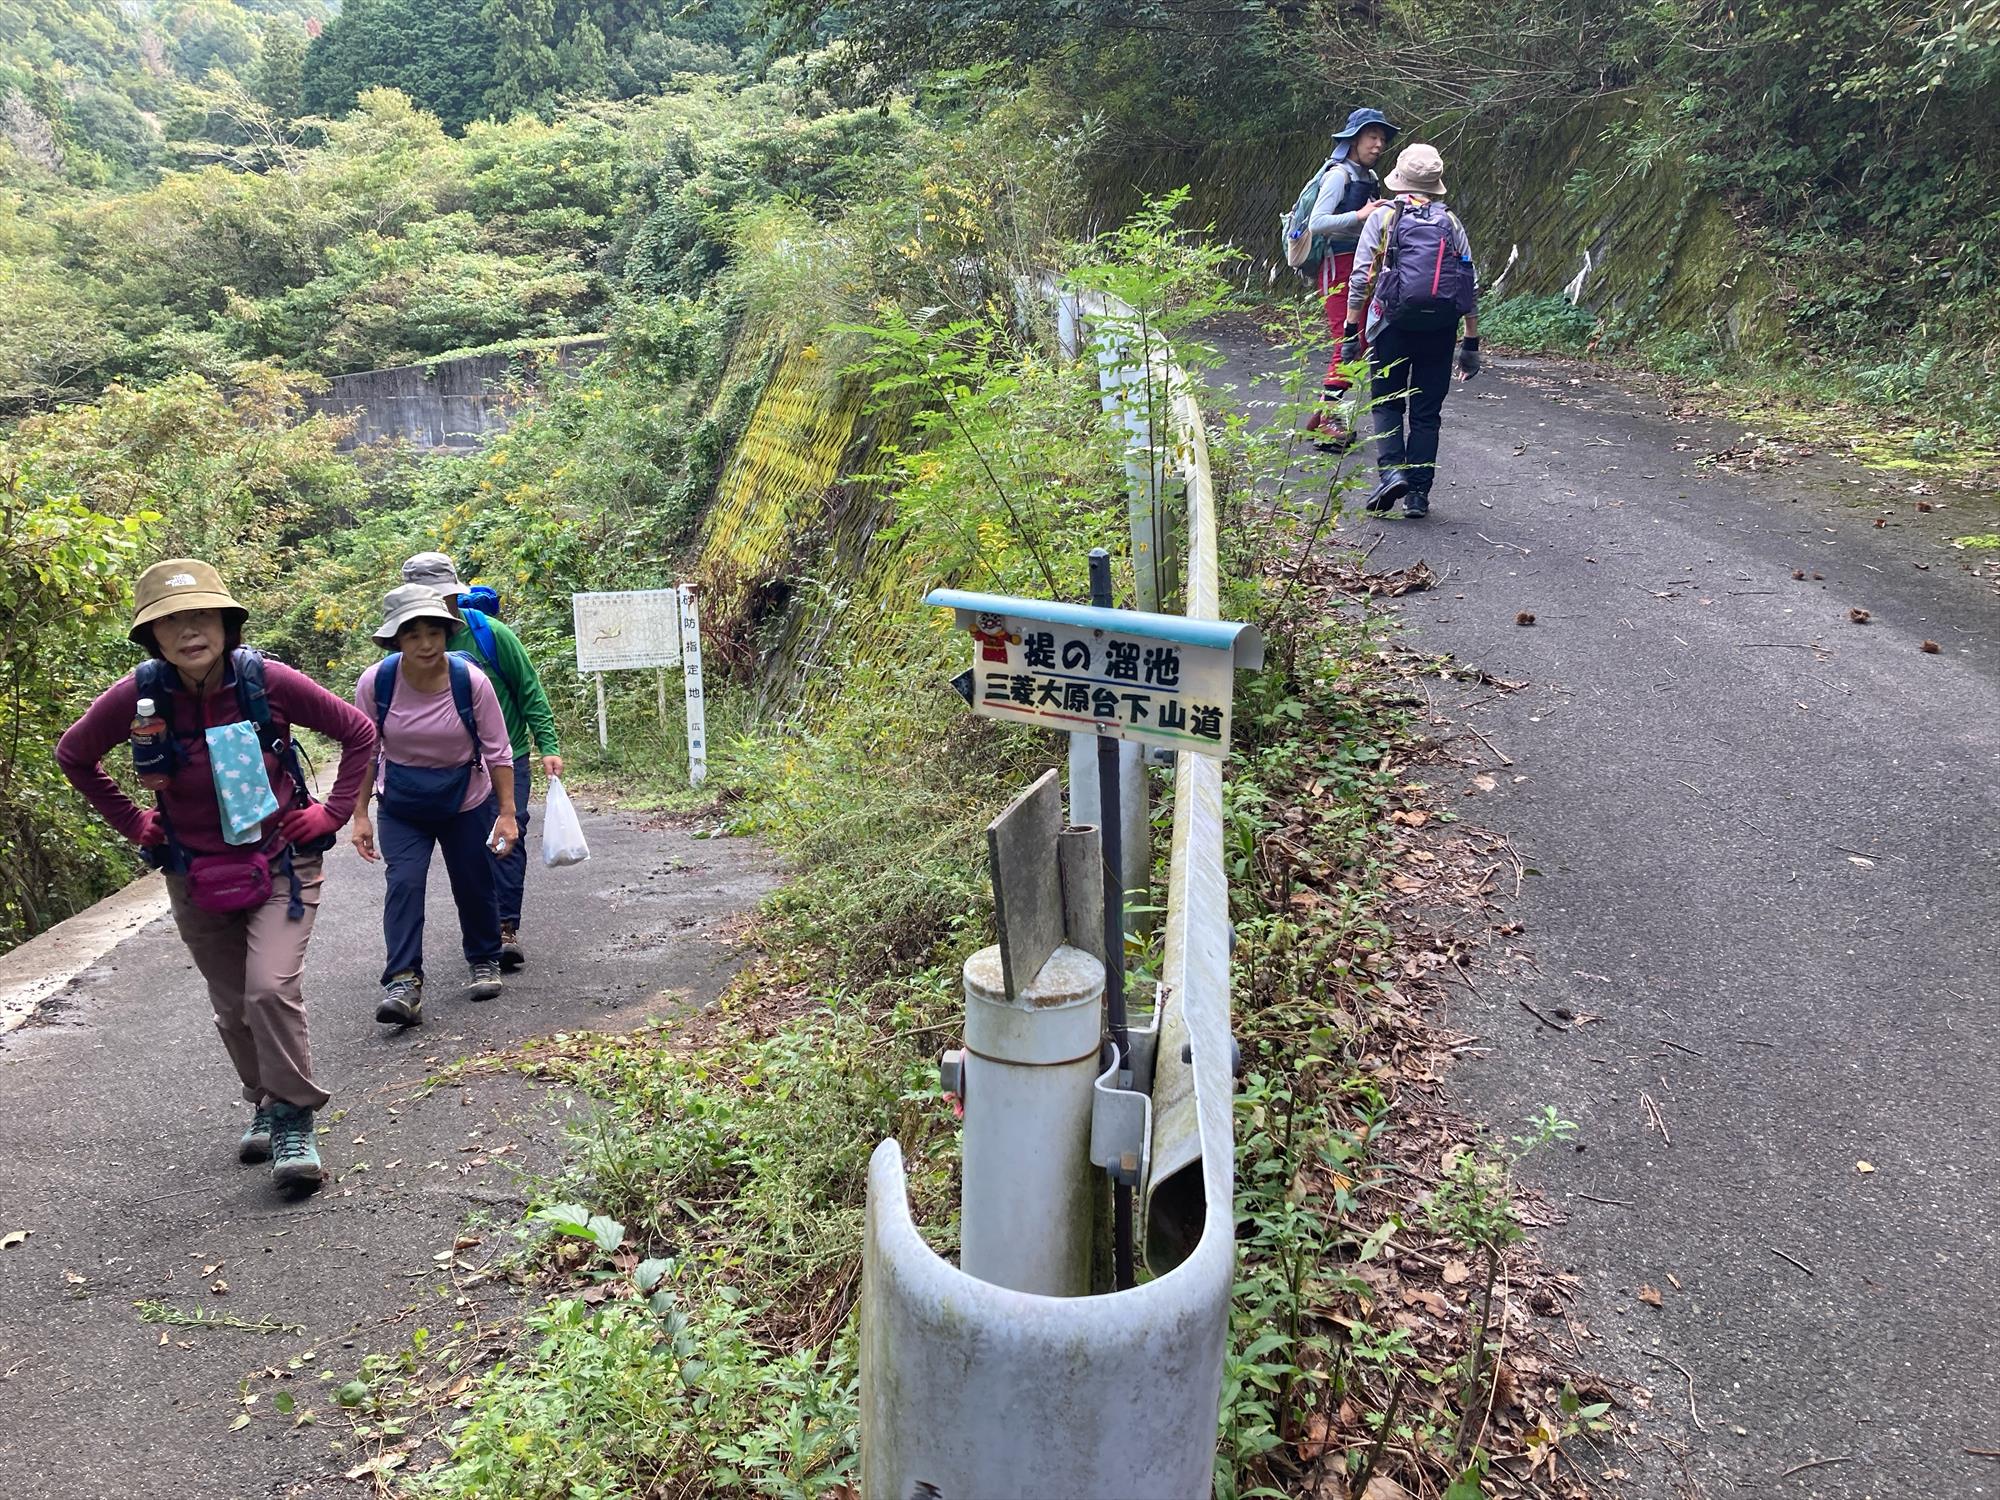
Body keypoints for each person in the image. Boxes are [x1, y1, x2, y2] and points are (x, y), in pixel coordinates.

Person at [55, 559, 377, 1190]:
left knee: (268, 990)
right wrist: (133, 822)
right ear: (152, 636)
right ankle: (265, 1101)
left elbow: (358, 731)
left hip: (280, 862)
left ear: (227, 624)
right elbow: (75, 755)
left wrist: (333, 812)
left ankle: (294, 1118)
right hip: (194, 871)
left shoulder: (267, 681)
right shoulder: (140, 697)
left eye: (202, 615)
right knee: (233, 1007)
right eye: (171, 621)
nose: (189, 631)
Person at [350, 584, 518, 1027]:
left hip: (466, 798)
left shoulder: (470, 681)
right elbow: (365, 751)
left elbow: (498, 750)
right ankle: (403, 983)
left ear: (447, 633)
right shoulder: (376, 683)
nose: (425, 644)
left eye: (434, 633)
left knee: (473, 879)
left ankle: (484, 959)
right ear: (396, 640)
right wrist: (360, 814)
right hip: (402, 803)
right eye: (413, 635)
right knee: (404, 883)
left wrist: (506, 813)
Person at [398, 553, 561, 971]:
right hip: (451, 765)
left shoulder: (490, 635)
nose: (438, 606)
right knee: (471, 847)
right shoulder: (406, 649)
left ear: (456, 595)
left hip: (507, 756)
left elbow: (528, 689)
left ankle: (505, 928)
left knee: (508, 833)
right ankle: (485, 929)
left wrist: (548, 744)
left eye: (444, 596)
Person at [1343, 143, 1483, 520]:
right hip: (1440, 327)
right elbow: (1468, 282)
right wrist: (1470, 341)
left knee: (1387, 402)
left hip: (1391, 324)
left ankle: (1392, 473)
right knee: (1426, 412)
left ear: (1400, 179)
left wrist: (1351, 330)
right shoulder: (1450, 221)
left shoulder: (1383, 217)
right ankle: (1418, 495)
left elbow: (1362, 278)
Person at [1302, 107, 1399, 449]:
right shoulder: (1338, 175)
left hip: (1362, 266)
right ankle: (1328, 420)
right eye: (1372, 137)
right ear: (1354, 139)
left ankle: (1322, 415)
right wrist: (1360, 214)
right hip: (1337, 266)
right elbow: (1317, 223)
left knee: (1360, 341)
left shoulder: (1368, 177)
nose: (1378, 144)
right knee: (1347, 342)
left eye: (1382, 139)